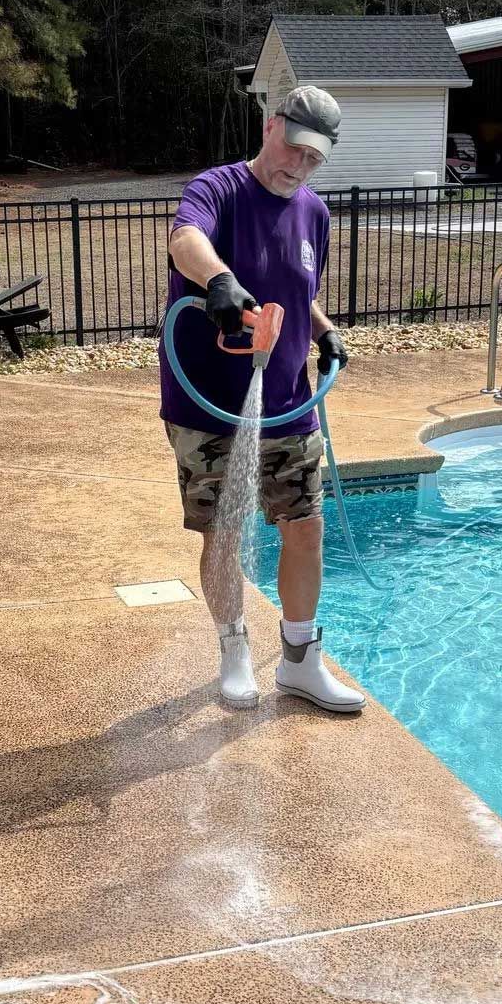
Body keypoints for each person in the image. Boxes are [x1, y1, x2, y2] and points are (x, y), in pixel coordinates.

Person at [159, 84, 365, 715]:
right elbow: (184, 240)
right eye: (295, 149)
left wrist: (325, 333)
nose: (299, 166)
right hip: (208, 403)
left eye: (314, 160)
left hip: (287, 401)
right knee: (224, 534)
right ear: (272, 125)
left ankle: (300, 662)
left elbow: (296, 290)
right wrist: (217, 278)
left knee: (305, 529)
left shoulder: (315, 214)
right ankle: (234, 648)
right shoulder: (219, 188)